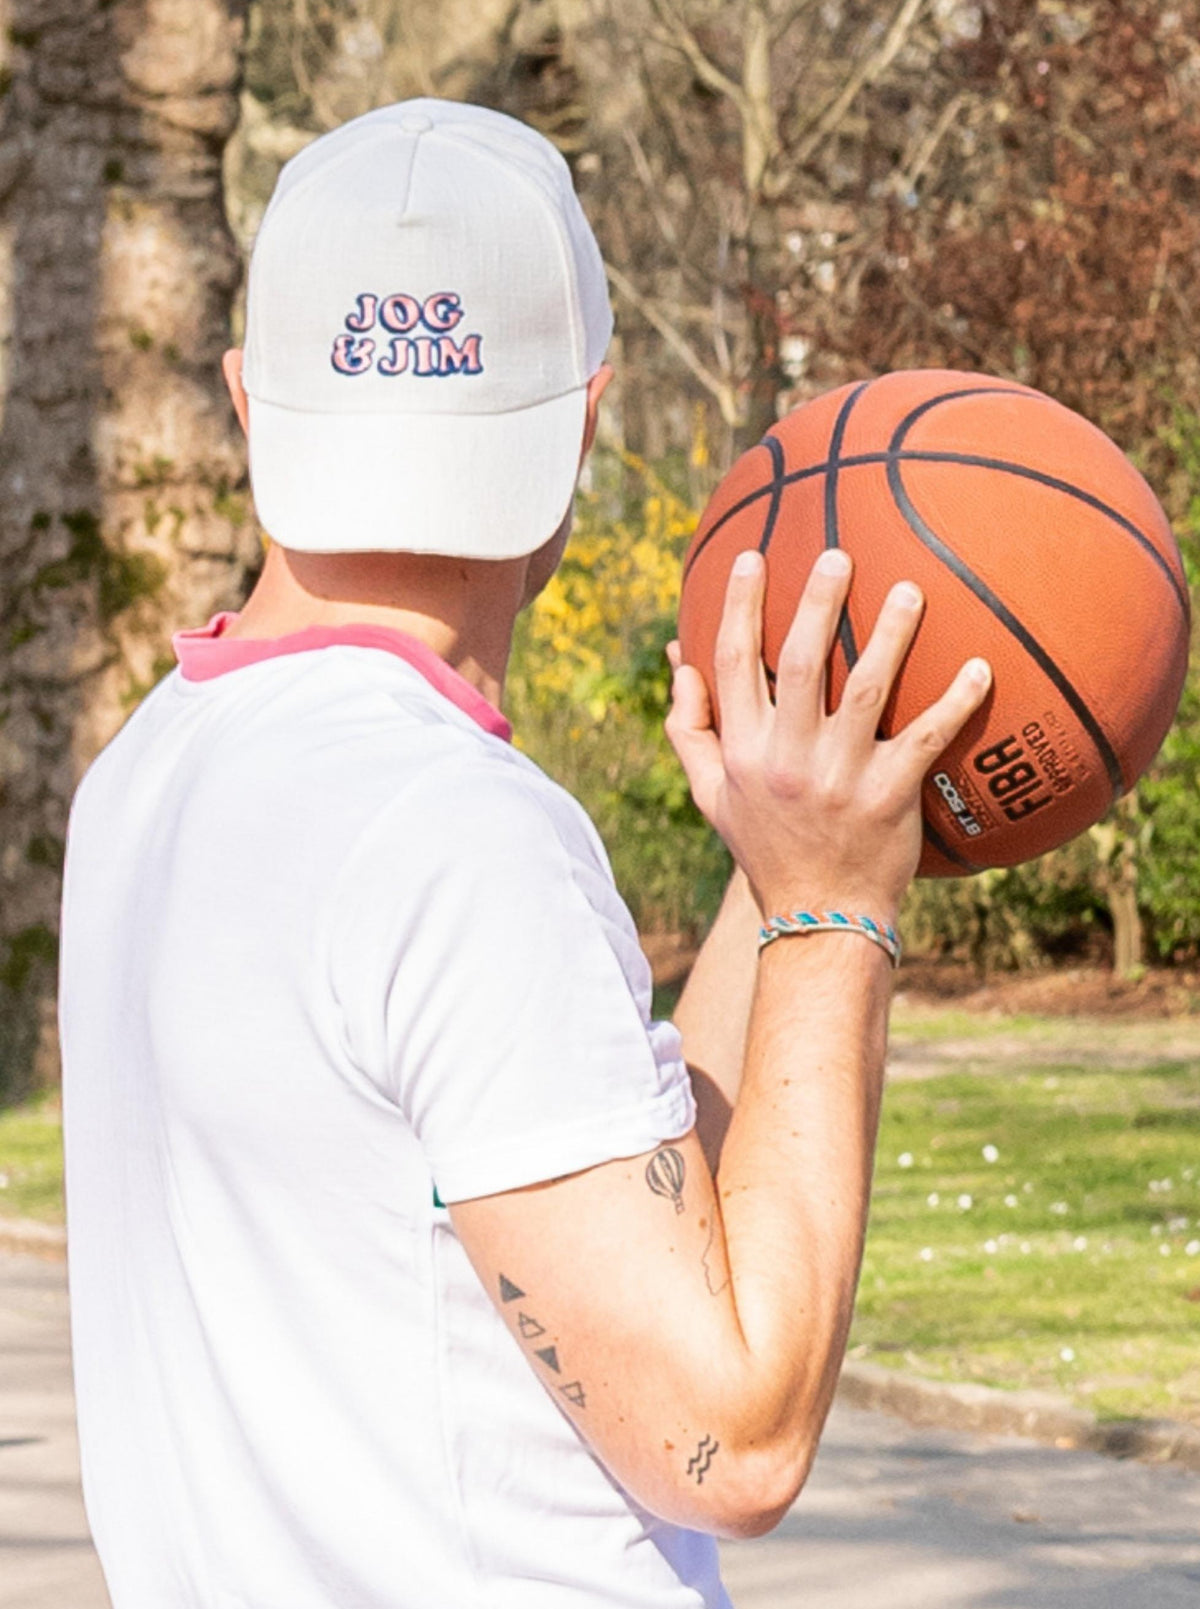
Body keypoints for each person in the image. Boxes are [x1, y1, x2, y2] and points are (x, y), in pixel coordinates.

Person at [57, 97, 991, 1609]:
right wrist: (834, 915)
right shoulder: (454, 833)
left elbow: (563, 1186)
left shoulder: (150, 772)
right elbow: (727, 1438)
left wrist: (780, 863)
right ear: (585, 411)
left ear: (246, 395)